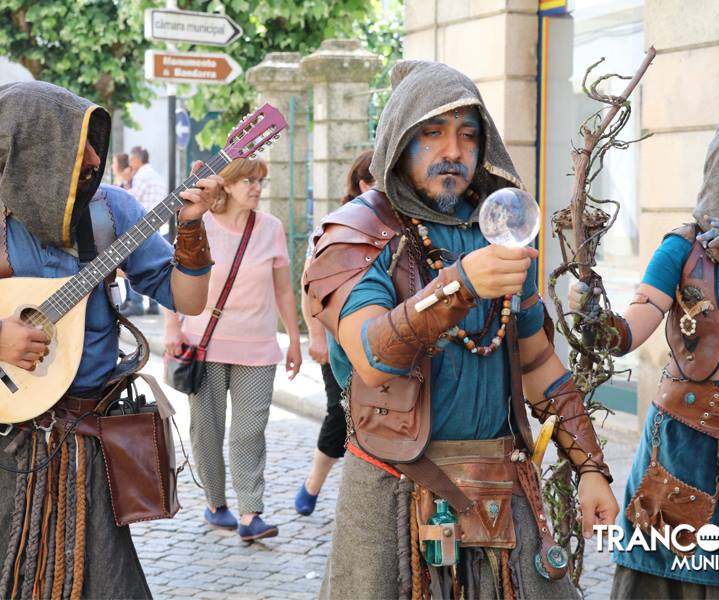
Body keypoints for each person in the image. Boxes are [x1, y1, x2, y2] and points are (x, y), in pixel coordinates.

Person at [304, 60, 618, 599]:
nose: (453, 150)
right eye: (433, 132)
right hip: (391, 488)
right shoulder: (355, 233)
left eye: (468, 134)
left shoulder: (500, 231)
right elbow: (372, 357)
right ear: (400, 139)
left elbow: (538, 363)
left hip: (502, 487)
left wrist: (590, 467)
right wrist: (462, 285)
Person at [0, 80, 221, 599]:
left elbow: (187, 299)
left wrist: (191, 227)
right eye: (78, 144)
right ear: (35, 149)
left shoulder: (111, 210)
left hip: (85, 439)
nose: (96, 158)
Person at [568, 112, 719, 598]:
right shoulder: (685, 246)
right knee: (680, 580)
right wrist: (594, 319)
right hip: (688, 444)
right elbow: (634, 324)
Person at [164, 157, 303, 541]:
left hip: (258, 347)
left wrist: (294, 339)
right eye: (248, 181)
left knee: (249, 430)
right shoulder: (201, 224)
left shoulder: (271, 228)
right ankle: (215, 504)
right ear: (226, 184)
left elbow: (283, 289)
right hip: (204, 345)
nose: (256, 188)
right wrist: (173, 327)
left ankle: (250, 512)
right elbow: (173, 277)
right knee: (206, 431)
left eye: (260, 181)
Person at [295, 149, 375, 516]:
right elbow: (309, 285)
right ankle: (313, 484)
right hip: (338, 339)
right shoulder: (337, 227)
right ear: (364, 185)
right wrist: (315, 336)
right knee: (340, 413)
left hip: (379, 339)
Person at [122, 145, 167, 316]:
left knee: (135, 265)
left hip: (141, 226)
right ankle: (154, 305)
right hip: (157, 226)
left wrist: (126, 183)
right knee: (153, 265)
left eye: (131, 159)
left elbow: (129, 199)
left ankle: (136, 303)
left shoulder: (141, 176)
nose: (130, 163)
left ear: (137, 159)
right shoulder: (157, 176)